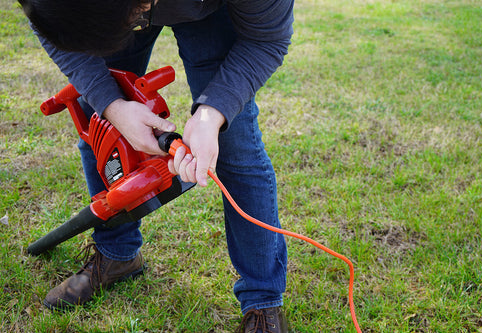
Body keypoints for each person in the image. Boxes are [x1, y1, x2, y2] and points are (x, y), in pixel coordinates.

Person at [19, 0, 293, 331]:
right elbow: (49, 22)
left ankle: (263, 302)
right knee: (102, 132)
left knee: (238, 149)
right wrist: (112, 107)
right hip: (105, 12)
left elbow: (266, 40)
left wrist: (213, 112)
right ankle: (118, 255)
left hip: (210, 8)